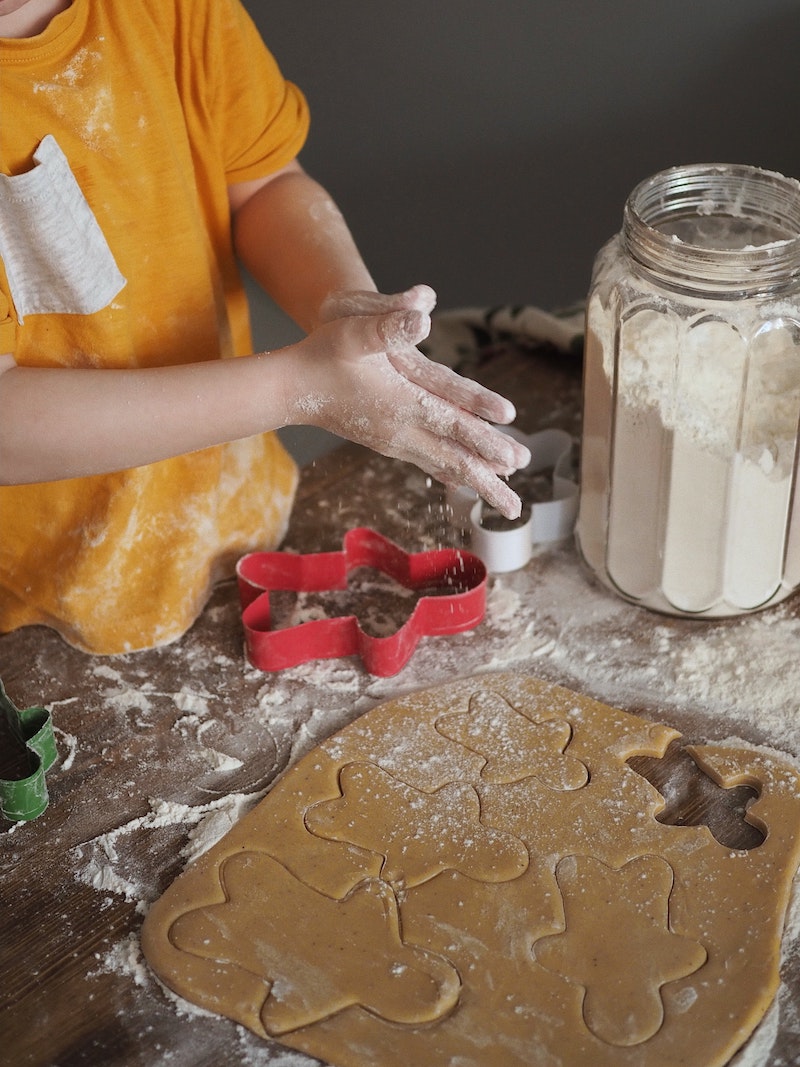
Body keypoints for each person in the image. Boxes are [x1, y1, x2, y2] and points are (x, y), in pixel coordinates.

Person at [0, 0, 530, 654]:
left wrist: (342, 305)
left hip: (233, 519)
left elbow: (263, 183)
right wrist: (296, 388)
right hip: (35, 608)